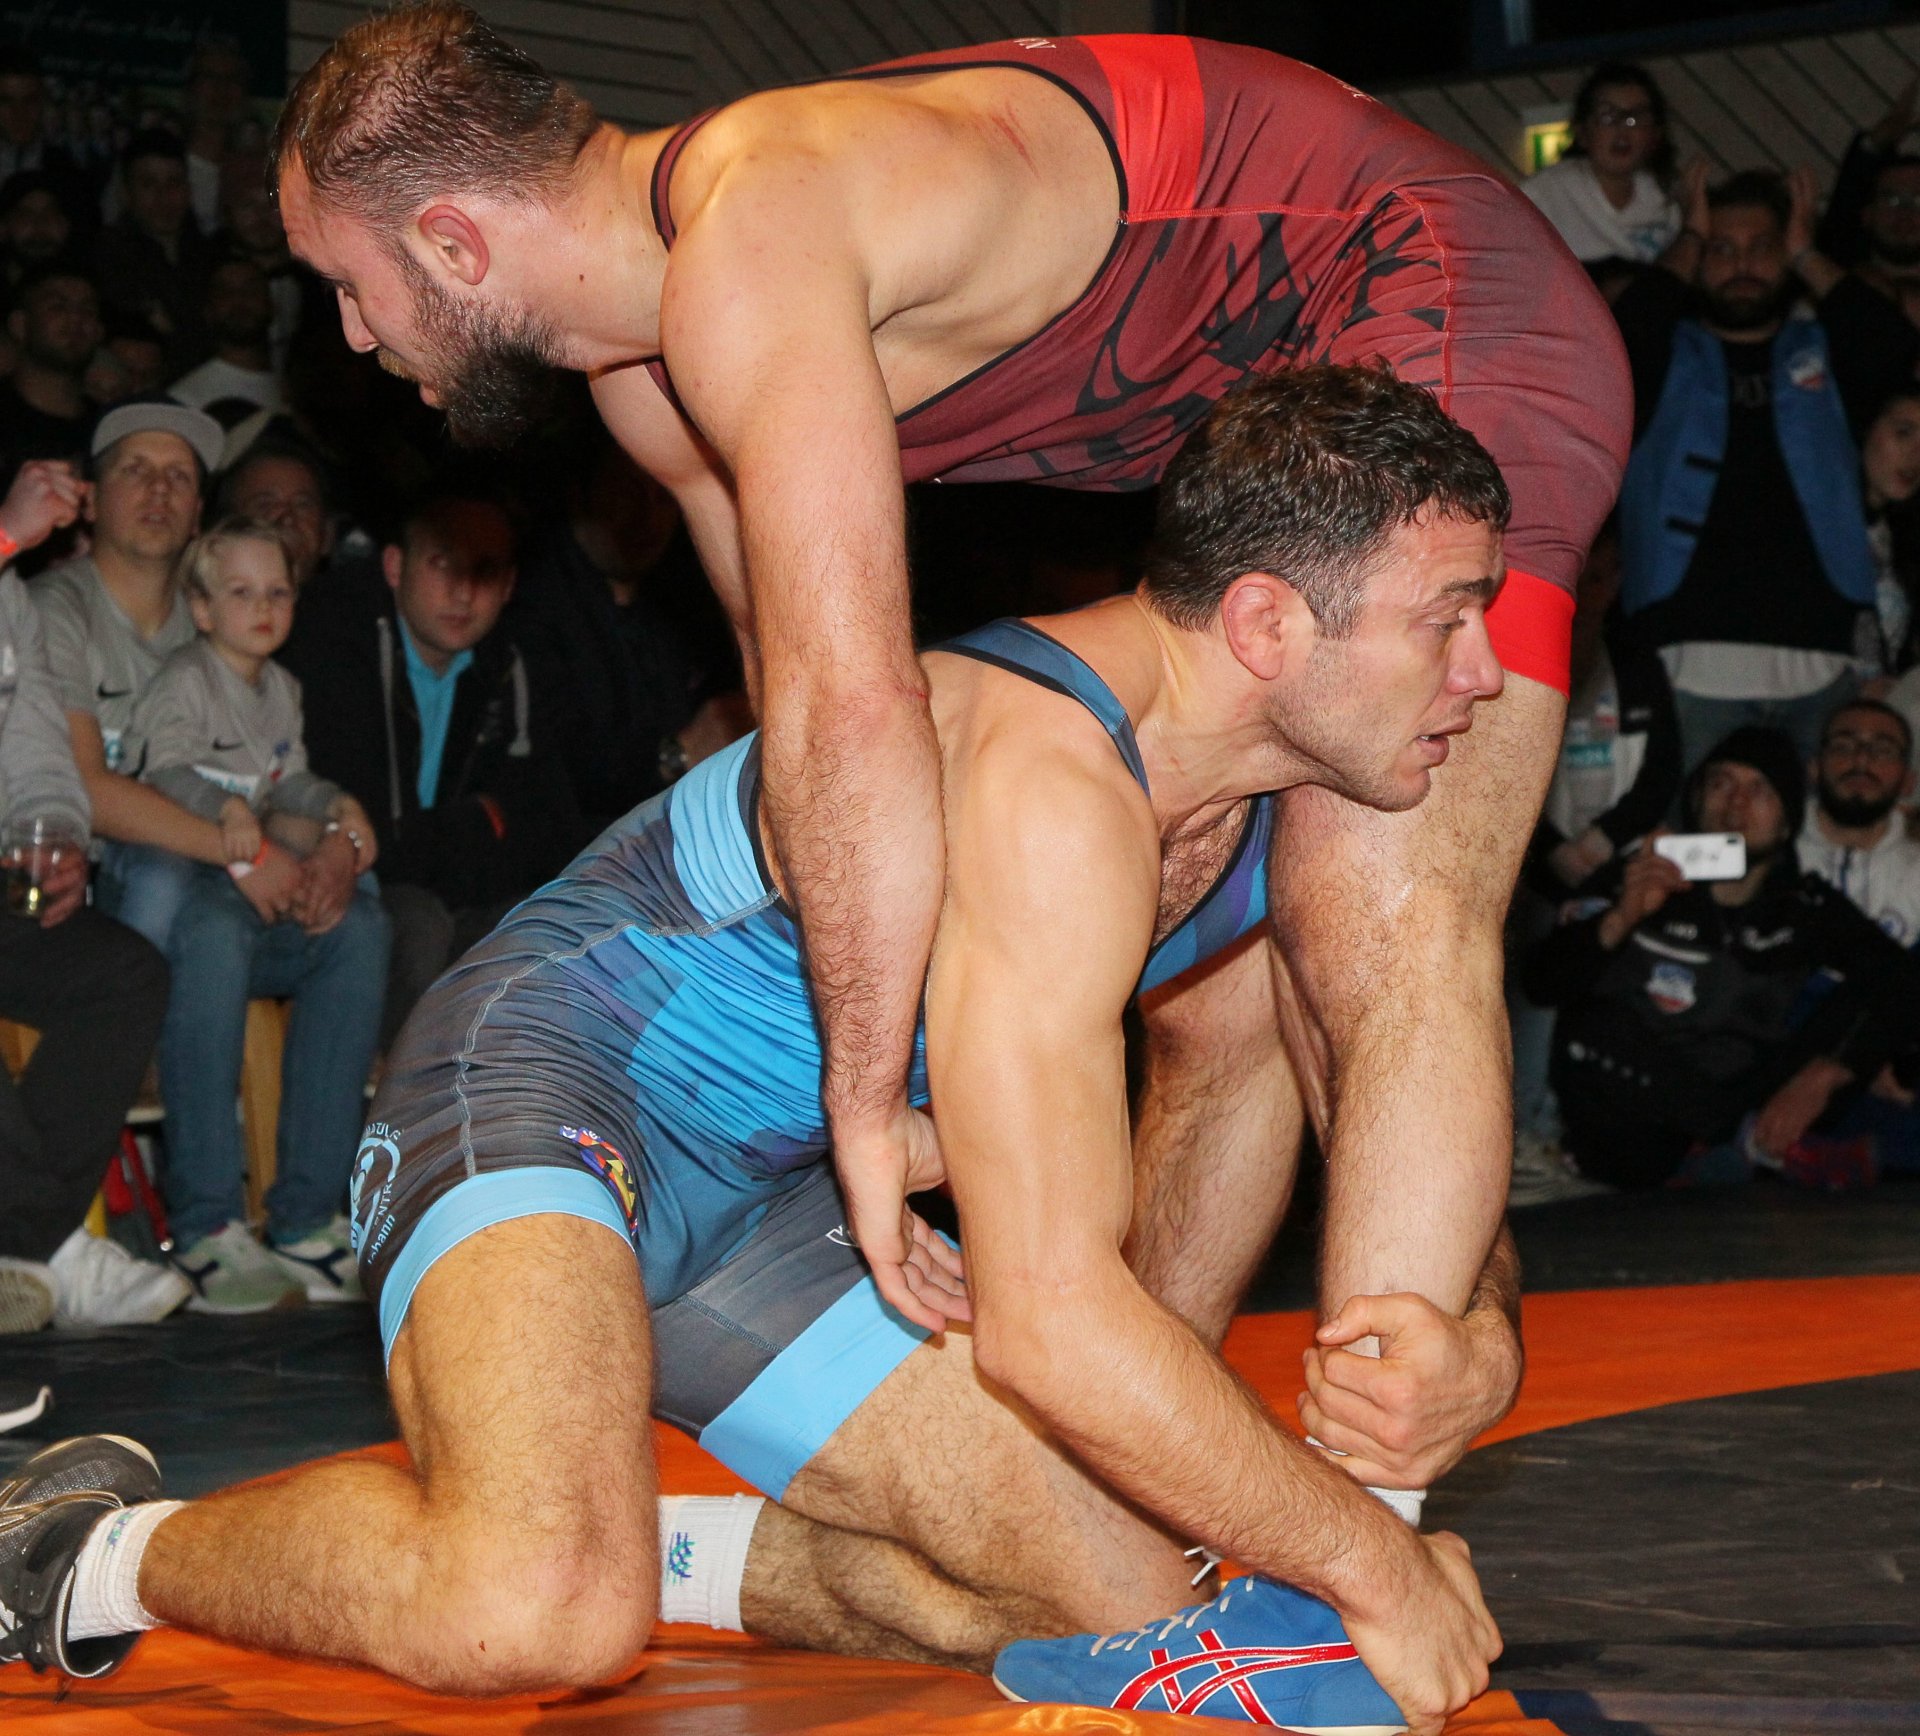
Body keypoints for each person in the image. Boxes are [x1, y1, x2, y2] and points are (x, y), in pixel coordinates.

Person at [0, 369, 1523, 1735]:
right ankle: (94, 1552)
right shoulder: (1041, 771)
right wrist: (1369, 1556)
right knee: (535, 1609)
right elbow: (1058, 1320)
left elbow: (1377, 1086)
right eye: (1448, 618)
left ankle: (638, 1535)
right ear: (1265, 623)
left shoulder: (1280, 804)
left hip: (781, 1203)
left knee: (1131, 1592)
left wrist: (1483, 1332)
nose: (1486, 675)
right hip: (545, 1092)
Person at [274, 7, 1630, 1356]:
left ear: (454, 242)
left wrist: (861, 1105)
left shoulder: (753, 231)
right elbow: (800, 716)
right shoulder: (652, 379)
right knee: (1211, 991)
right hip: (1262, 414)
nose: (349, 333)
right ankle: (1140, 1505)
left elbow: (851, 712)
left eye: (348, 283)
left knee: (1367, 902)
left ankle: (1396, 1470)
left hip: (1435, 282)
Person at [129, 516, 387, 1313]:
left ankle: (309, 1215)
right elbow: (159, 768)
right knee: (211, 932)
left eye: (277, 591)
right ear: (202, 609)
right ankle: (206, 1222)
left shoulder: (281, 688)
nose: (263, 607)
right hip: (187, 890)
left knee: (361, 927)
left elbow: (289, 783)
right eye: (240, 593)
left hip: (255, 885)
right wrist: (224, 816)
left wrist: (340, 807)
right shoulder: (184, 678)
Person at [1614, 168, 1920, 771]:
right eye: (1720, 249)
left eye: (1763, 247)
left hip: (1824, 658)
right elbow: (1623, 333)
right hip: (1687, 653)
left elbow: (1894, 349)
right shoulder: (1663, 351)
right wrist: (1688, 237)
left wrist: (1809, 253)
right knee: (1693, 852)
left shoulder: (1823, 347)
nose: (1742, 265)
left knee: (1809, 856)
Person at [1523, 726, 1915, 1191]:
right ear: (1696, 798)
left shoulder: (1804, 907)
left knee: (1867, 993)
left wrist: (1828, 1072)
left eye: (1759, 790)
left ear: (1788, 819)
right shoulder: (1641, 874)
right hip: (1626, 1113)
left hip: (1735, 1095)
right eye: (1721, 783)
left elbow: (1901, 977)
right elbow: (1540, 985)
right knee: (1593, 1029)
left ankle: (1728, 1147)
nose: (1736, 804)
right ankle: (1742, 1142)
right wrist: (1623, 914)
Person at [281, 485, 582, 1041]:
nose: (464, 591)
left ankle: (501, 1118)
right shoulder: (337, 633)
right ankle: (402, 1115)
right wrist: (469, 827)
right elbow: (361, 821)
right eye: (443, 564)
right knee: (417, 922)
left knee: (540, 928)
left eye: (486, 571)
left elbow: (545, 828)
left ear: (509, 585)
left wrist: (442, 839)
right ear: (395, 566)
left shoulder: (512, 661)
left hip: (454, 888)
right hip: (342, 875)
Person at [0, 459, 184, 1335]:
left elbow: (36, 746)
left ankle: (19, 1249)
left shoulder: (11, 600)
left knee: (122, 970)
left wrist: (53, 839)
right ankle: (49, 1242)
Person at [31, 399, 226, 950]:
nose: (159, 489)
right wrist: (248, 852)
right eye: (134, 469)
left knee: (357, 921)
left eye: (178, 476)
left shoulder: (218, 627)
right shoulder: (51, 608)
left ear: (197, 515)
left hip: (193, 866)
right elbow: (85, 788)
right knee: (164, 877)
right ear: (89, 500)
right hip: (66, 876)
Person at [509, 433, 747, 824]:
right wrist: (677, 753)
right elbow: (552, 785)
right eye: (629, 491)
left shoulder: (679, 606)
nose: (647, 514)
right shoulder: (531, 603)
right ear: (581, 493)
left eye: (664, 496)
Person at [1523, 62, 1681, 266]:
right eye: (1608, 117)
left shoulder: (1663, 200)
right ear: (1582, 132)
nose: (1622, 131)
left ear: (1655, 134)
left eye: (1635, 118)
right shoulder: (1546, 192)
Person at [1797, 697, 1920, 944]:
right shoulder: (1770, 853)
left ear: (1908, 781)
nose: (1861, 760)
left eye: (1883, 751)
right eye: (1843, 747)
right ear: (1815, 768)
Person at [92, 130, 211, 374]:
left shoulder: (211, 255)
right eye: (148, 184)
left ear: (188, 190)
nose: (163, 197)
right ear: (126, 194)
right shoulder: (106, 258)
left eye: (173, 183)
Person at [0, 263, 100, 485]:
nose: (76, 318)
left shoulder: (107, 430)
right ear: (20, 324)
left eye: (88, 310)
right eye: (58, 307)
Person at [168, 255, 284, 418]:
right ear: (208, 310)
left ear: (272, 305)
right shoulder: (185, 399)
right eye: (224, 292)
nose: (239, 299)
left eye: (251, 290)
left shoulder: (297, 389)